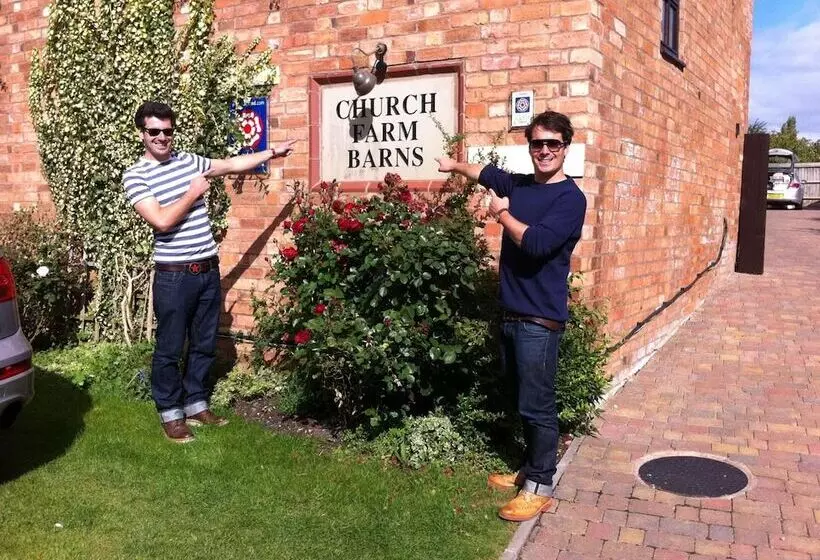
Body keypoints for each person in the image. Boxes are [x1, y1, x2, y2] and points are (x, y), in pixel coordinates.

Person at [435, 111, 586, 521]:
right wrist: (454, 165)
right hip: (512, 314)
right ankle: (528, 470)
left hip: (540, 320)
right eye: (538, 143)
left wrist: (501, 214)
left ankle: (540, 484)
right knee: (522, 399)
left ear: (565, 148)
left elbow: (535, 244)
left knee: (538, 404)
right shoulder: (519, 185)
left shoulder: (570, 199)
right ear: (530, 146)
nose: (545, 150)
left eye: (553, 143)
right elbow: (485, 172)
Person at [123, 101, 295, 443]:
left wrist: (272, 152)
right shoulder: (136, 175)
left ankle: (196, 404)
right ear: (142, 133)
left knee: (203, 343)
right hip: (174, 275)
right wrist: (192, 193)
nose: (162, 137)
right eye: (154, 131)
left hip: (207, 269)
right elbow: (161, 221)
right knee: (170, 347)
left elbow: (231, 164)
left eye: (167, 131)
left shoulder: (189, 161)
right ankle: (170, 413)